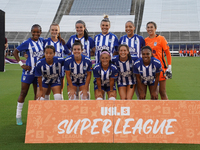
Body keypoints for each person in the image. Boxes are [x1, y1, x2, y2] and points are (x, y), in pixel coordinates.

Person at [13, 24, 44, 125]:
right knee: (23, 93)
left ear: (40, 32)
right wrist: (21, 64)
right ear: (31, 32)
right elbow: (15, 52)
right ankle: (18, 116)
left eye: (37, 32)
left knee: (37, 95)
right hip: (28, 72)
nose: (36, 34)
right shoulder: (27, 43)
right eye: (34, 32)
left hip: (38, 73)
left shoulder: (42, 41)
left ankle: (34, 117)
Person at [65, 20, 95, 99]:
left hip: (84, 69)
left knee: (85, 96)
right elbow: (66, 48)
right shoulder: (72, 38)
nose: (79, 29)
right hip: (73, 69)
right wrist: (70, 54)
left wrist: (88, 55)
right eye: (77, 27)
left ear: (84, 28)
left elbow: (95, 51)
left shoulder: (89, 39)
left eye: (81, 27)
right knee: (73, 97)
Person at [145, 21, 172, 100]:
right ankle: (154, 111)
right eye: (148, 27)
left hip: (161, 69)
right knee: (153, 94)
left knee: (162, 92)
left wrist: (169, 66)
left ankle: (167, 110)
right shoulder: (145, 40)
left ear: (155, 28)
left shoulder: (161, 39)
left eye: (151, 27)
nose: (150, 29)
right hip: (150, 70)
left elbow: (167, 53)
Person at [43, 23, 69, 100]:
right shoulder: (45, 41)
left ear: (59, 31)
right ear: (50, 30)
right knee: (47, 92)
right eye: (52, 30)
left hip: (60, 71)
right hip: (48, 71)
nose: (54, 31)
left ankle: (60, 109)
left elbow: (68, 53)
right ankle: (47, 110)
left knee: (60, 92)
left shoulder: (62, 42)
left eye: (56, 30)